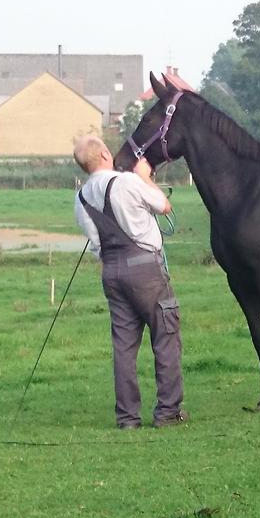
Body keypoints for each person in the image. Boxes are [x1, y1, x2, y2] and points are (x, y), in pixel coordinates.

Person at [72, 135, 186, 429]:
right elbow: (164, 206)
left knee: (123, 346)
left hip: (111, 272)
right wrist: (145, 176)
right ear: (106, 153)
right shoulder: (127, 182)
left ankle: (128, 418)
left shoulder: (81, 198)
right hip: (146, 269)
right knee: (165, 336)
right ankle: (167, 412)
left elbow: (96, 244)